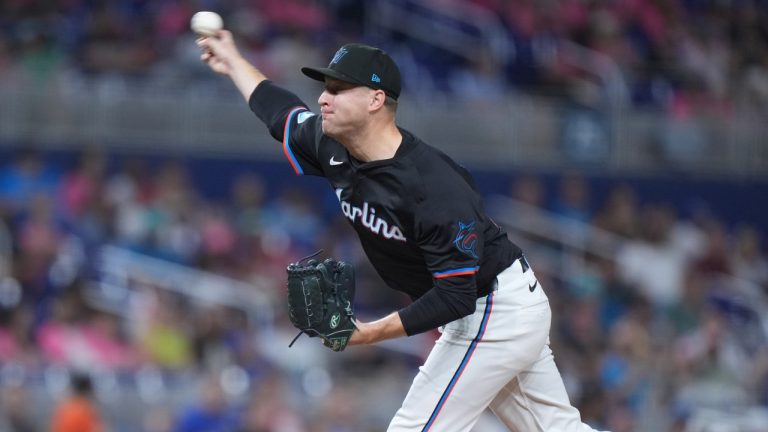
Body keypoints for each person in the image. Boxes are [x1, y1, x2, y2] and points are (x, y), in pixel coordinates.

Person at [197, 30, 601, 432]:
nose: (323, 98)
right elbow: (278, 110)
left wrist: (366, 333)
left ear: (375, 100)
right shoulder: (332, 144)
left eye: (338, 89)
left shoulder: (431, 186)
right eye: (325, 87)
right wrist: (232, 59)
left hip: (494, 307)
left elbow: (455, 297)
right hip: (493, 306)